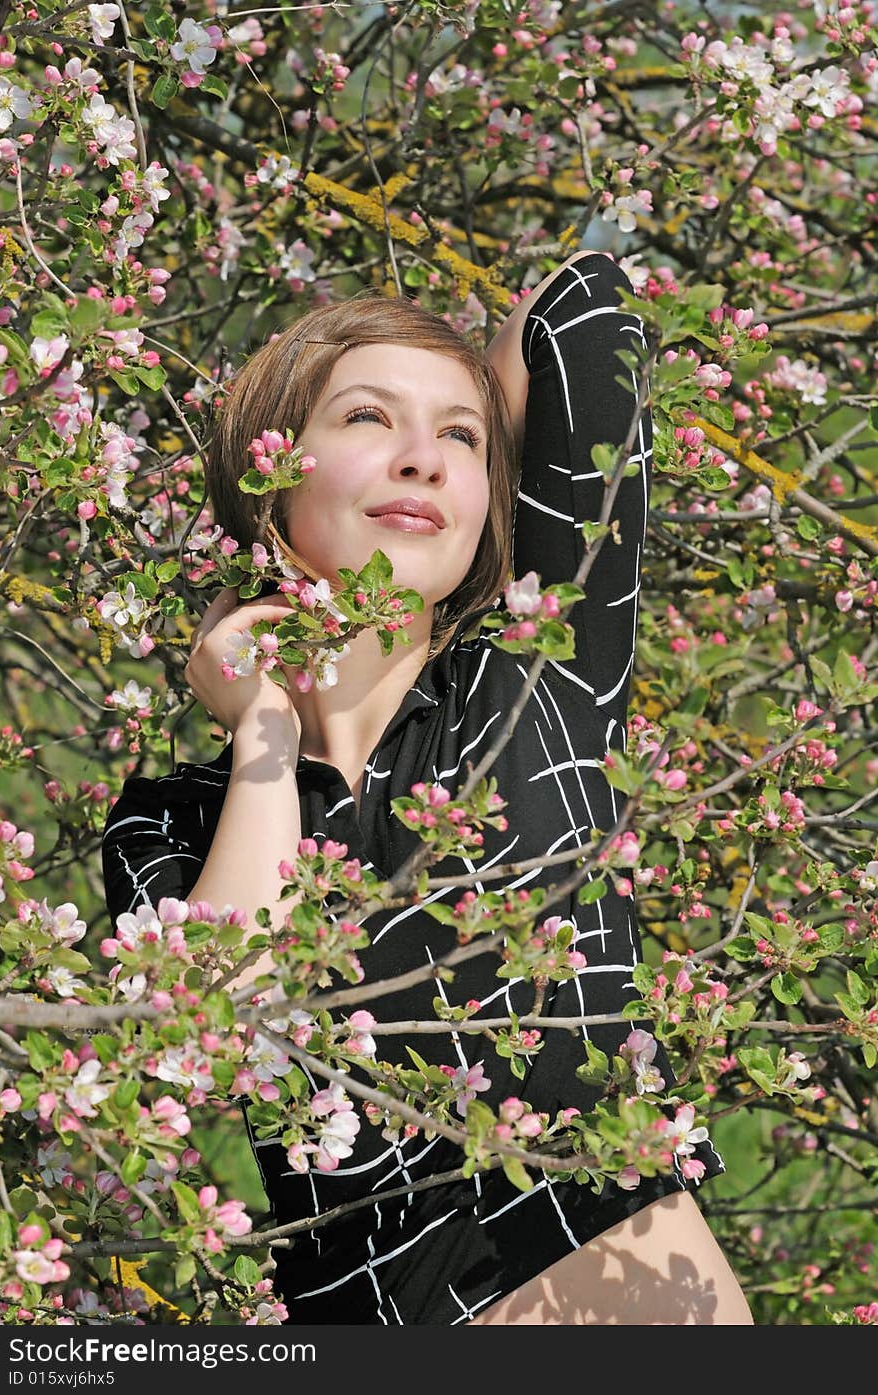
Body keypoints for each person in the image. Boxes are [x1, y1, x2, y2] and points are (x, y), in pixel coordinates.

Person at [100, 251, 753, 1325]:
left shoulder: (540, 676)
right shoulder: (168, 823)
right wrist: (267, 723)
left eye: (458, 436)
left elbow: (585, 304)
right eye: (367, 419)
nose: (421, 460)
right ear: (268, 474)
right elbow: (195, 1041)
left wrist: (457, 425)